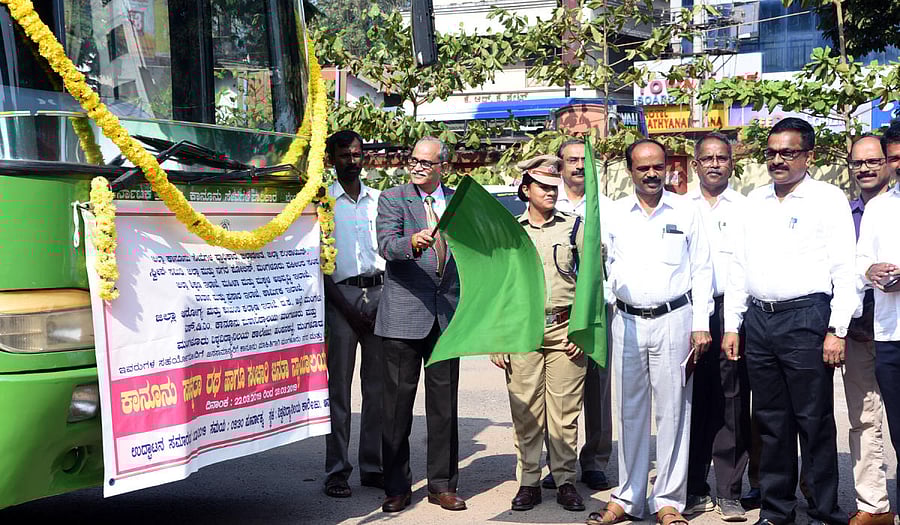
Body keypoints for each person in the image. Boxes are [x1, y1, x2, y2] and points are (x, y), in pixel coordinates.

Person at [722, 117, 857, 525]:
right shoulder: (754, 202)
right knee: (770, 421)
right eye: (772, 153)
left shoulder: (827, 199)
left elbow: (844, 268)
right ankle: (777, 510)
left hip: (806, 318)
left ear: (808, 156)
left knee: (813, 419)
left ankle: (823, 509)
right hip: (760, 321)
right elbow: (738, 266)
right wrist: (732, 324)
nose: (778, 160)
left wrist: (837, 329)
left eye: (788, 152)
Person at [587, 138, 713, 525]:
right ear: (630, 171)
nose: (652, 173)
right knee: (630, 412)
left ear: (667, 167)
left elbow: (702, 269)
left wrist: (701, 323)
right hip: (626, 321)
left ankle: (668, 501)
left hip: (675, 320)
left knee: (674, 412)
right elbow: (601, 267)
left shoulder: (687, 210)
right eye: (643, 167)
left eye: (658, 166)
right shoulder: (614, 214)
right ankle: (628, 498)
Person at [492, 154, 588, 513]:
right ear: (526, 189)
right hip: (523, 330)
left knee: (564, 414)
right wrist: (499, 338)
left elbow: (592, 282)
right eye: (543, 186)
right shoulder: (510, 231)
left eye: (554, 186)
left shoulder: (574, 228)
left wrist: (583, 331)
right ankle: (529, 482)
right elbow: (500, 287)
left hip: (565, 329)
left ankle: (565, 481)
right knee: (526, 412)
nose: (551, 192)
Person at [374, 136, 465, 513]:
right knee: (396, 408)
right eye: (414, 160)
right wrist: (412, 242)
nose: (418, 167)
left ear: (444, 166)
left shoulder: (458, 202)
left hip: (447, 315)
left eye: (427, 162)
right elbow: (386, 245)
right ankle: (396, 487)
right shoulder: (393, 198)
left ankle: (442, 485)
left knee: (444, 407)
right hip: (403, 316)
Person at [685, 132, 751, 522]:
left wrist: (734, 324)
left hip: (731, 311)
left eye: (721, 158)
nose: (714, 164)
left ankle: (729, 492)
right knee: (693, 401)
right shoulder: (680, 206)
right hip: (689, 312)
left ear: (731, 163)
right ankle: (693, 487)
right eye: (707, 158)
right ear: (695, 164)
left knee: (731, 401)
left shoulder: (745, 208)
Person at [541, 139, 613, 493]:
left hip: (597, 309)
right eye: (571, 160)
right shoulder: (548, 203)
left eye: (584, 160)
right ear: (561, 165)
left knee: (598, 390)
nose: (579, 166)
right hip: (556, 313)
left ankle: (595, 461)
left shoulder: (608, 208)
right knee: (554, 393)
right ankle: (558, 463)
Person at [322, 130, 385, 498]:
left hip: (379, 295)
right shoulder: (323, 203)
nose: (351, 160)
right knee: (339, 392)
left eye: (357, 154)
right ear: (332, 159)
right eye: (344, 155)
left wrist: (382, 301)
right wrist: (347, 308)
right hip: (340, 299)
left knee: (377, 391)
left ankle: (372, 468)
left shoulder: (379, 201)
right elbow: (318, 265)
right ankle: (337, 471)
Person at [843, 135, 895, 525]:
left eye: (874, 160)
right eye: (858, 162)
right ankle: (874, 505)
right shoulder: (843, 214)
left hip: (894, 327)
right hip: (860, 331)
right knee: (863, 417)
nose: (866, 168)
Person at [856, 122, 900, 524]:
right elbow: (860, 260)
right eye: (895, 157)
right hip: (890, 333)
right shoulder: (879, 208)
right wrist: (871, 270)